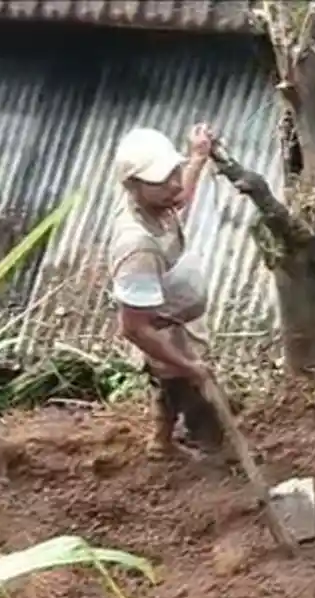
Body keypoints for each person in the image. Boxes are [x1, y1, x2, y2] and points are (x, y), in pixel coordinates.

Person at [108, 124, 222, 457]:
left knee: (170, 386)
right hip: (162, 331)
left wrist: (198, 157)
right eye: (162, 180)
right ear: (133, 185)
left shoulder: (157, 202)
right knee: (198, 394)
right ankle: (217, 452)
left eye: (175, 172)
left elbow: (180, 196)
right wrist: (187, 365)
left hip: (176, 319)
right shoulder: (137, 247)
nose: (175, 184)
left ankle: (162, 443)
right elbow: (134, 328)